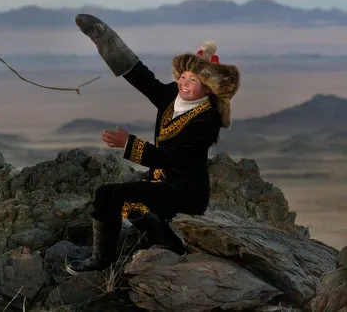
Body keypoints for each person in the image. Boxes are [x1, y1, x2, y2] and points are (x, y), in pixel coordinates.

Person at [68, 14, 240, 273]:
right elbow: (139, 75)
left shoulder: (207, 120)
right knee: (105, 194)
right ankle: (101, 259)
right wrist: (103, 37)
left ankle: (171, 244)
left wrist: (130, 145)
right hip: (161, 182)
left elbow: (171, 159)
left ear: (208, 89)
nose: (183, 83)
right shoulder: (170, 96)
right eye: (182, 76)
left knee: (129, 201)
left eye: (192, 80)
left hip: (186, 193)